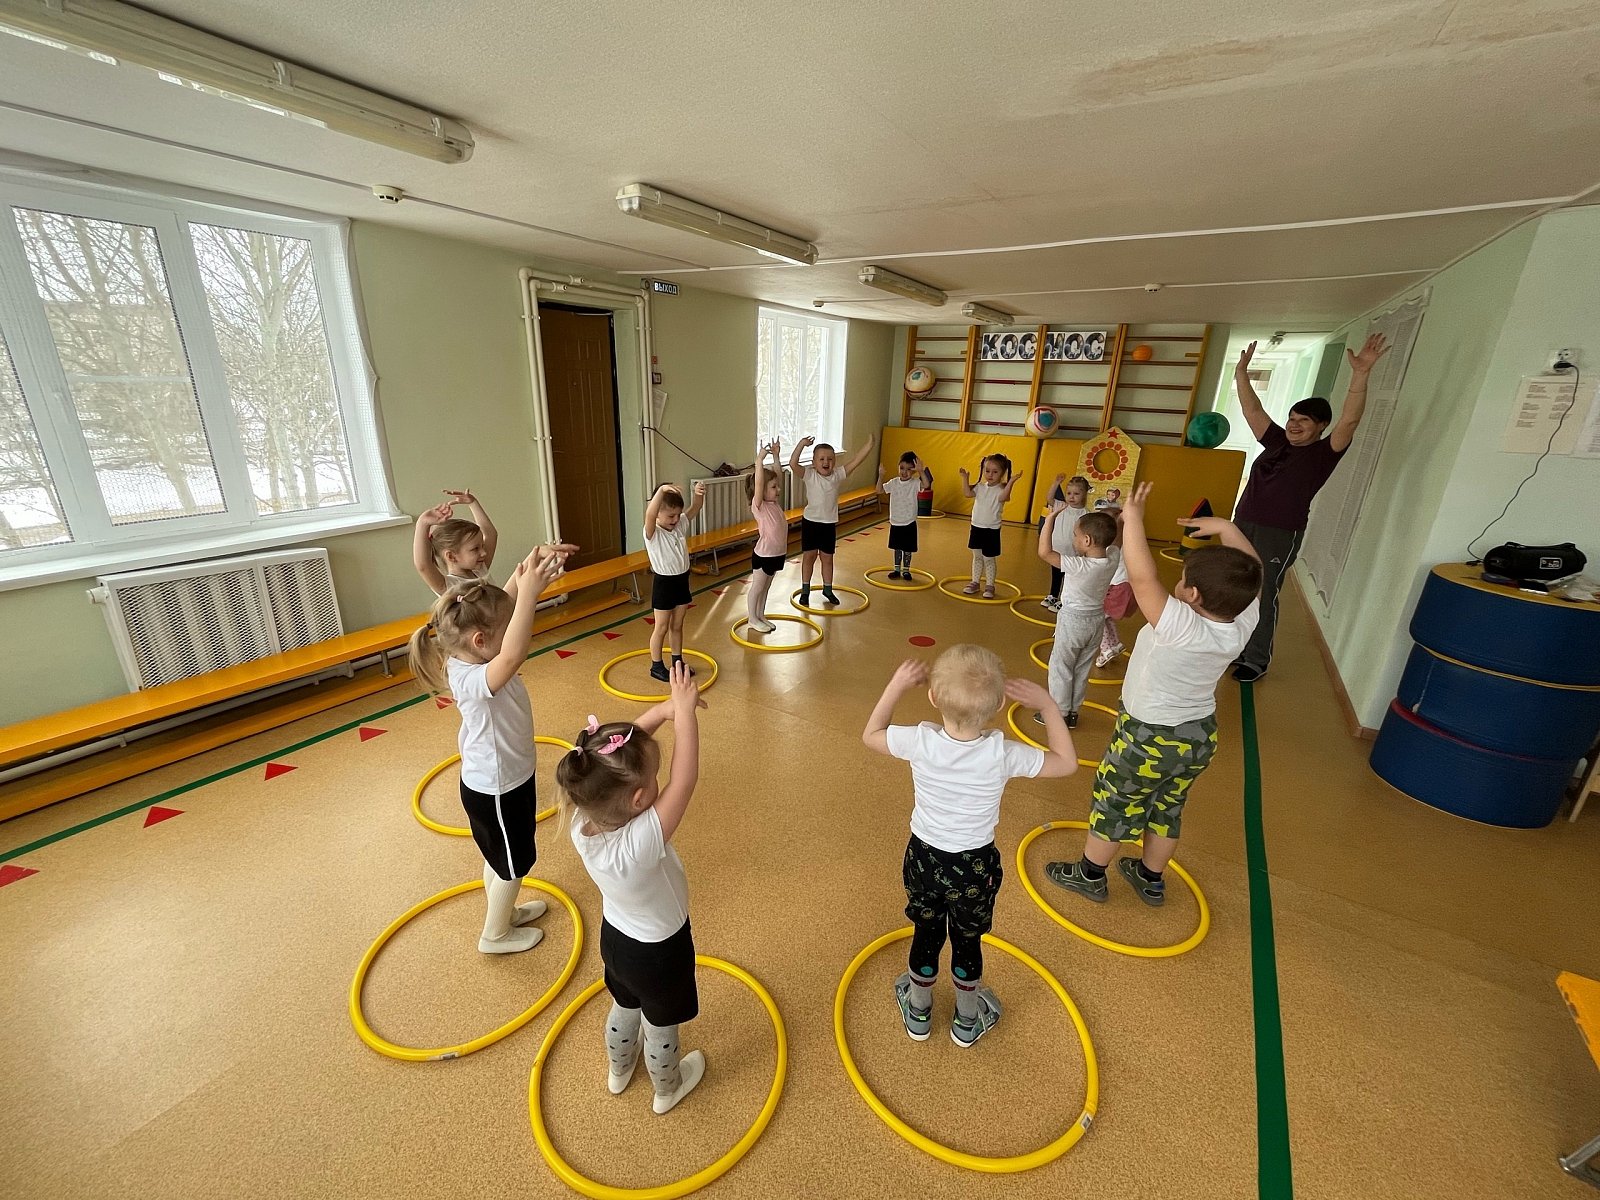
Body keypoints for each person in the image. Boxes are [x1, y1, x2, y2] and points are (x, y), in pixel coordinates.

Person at [1045, 483, 1261, 907]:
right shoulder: (1241, 620)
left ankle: (1090, 875)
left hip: (1148, 735)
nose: (1178, 584)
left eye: (1183, 580)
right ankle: (1149, 877)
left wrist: (1134, 520)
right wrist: (1226, 528)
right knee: (1167, 806)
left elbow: (1142, 577)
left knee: (1115, 801)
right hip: (1198, 736)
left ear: (1192, 595)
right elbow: (1254, 573)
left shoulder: (1181, 623)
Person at [863, 646, 1077, 1046]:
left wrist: (896, 685)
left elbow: (871, 735)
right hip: (974, 868)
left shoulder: (920, 741)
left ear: (932, 697)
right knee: (967, 940)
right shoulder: (1002, 753)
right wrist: (1048, 705)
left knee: (926, 932)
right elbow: (1066, 763)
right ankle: (966, 1020)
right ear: (999, 705)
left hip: (924, 859)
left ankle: (919, 1013)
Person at [405, 544, 573, 953]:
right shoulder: (471, 679)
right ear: (481, 641)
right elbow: (513, 654)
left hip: (506, 778)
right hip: (497, 788)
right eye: (505, 628)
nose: (511, 628)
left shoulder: (474, 654)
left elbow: (504, 606)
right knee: (514, 864)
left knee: (501, 858)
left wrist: (528, 567)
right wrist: (530, 595)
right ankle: (494, 934)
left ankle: (504, 912)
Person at [557, 663, 707, 1114]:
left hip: (616, 940)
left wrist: (661, 712)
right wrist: (684, 714)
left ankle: (618, 1069)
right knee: (661, 1025)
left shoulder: (583, 818)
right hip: (660, 951)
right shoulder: (640, 843)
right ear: (640, 799)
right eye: (651, 779)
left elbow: (612, 760)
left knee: (624, 1005)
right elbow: (685, 779)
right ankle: (667, 1089)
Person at [1229, 334, 1389, 681]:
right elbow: (1252, 410)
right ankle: (1234, 647)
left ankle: (1255, 658)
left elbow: (1350, 420)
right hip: (1243, 523)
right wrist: (1241, 372)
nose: (1294, 424)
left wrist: (1360, 375)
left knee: (1263, 592)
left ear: (1321, 427)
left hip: (1279, 533)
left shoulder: (1323, 453)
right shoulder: (1275, 441)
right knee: (1233, 586)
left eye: (1303, 420)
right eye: (1292, 417)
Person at [1035, 507, 1119, 729]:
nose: (1073, 539)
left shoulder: (1078, 565)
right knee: (1082, 668)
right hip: (1096, 621)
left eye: (1075, 535)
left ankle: (1059, 713)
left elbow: (1044, 552)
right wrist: (1116, 519)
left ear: (1087, 540)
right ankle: (1072, 712)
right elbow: (1114, 542)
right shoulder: (1112, 558)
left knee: (1061, 666)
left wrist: (1049, 520)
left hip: (1073, 621)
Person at [791, 433, 877, 606]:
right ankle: (805, 590)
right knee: (809, 557)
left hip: (828, 524)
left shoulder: (837, 475)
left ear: (834, 462)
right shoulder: (809, 475)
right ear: (814, 463)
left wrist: (869, 445)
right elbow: (793, 464)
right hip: (811, 523)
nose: (826, 462)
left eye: (830, 459)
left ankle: (828, 589)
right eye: (821, 459)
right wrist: (802, 444)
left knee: (827, 558)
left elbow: (856, 461)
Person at [643, 481, 706, 682]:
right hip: (664, 584)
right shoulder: (652, 533)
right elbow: (649, 514)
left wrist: (698, 493)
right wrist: (662, 490)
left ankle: (677, 662)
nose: (676, 519)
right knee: (661, 627)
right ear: (658, 513)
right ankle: (656, 666)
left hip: (682, 580)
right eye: (671, 516)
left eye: (677, 514)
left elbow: (695, 507)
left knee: (677, 625)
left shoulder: (679, 526)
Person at [413, 489, 519, 597]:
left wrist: (473, 503)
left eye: (482, 546)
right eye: (475, 549)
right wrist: (422, 523)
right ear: (451, 556)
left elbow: (491, 534)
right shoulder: (448, 586)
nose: (484, 553)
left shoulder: (480, 570)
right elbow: (423, 566)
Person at [960, 454, 1025, 599]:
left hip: (991, 530)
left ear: (1002, 473)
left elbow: (1004, 497)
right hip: (976, 527)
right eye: (987, 470)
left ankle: (990, 585)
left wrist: (1011, 482)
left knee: (989, 559)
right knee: (977, 557)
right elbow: (967, 493)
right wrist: (964, 478)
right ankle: (975, 582)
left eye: (995, 472)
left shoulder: (1001, 489)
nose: (990, 474)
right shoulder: (980, 487)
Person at [745, 439, 787, 634]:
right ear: (761, 491)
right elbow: (760, 482)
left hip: (777, 554)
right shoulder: (759, 506)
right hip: (764, 555)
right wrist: (759, 461)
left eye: (777, 487)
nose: (778, 490)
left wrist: (776, 456)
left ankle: (760, 615)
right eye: (773, 487)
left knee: (767, 587)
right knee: (758, 587)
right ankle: (752, 618)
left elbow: (778, 475)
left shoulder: (774, 504)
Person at [1040, 474, 1091, 612]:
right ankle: (1053, 595)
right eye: (1069, 493)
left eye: (1076, 494)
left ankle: (1064, 600)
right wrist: (1056, 483)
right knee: (1056, 575)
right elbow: (1049, 498)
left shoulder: (1086, 514)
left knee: (1069, 579)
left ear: (1084, 494)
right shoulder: (1061, 506)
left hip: (1073, 554)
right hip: (1057, 550)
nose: (1071, 497)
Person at [877, 451, 931, 580]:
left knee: (907, 548)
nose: (904, 472)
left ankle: (906, 570)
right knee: (897, 548)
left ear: (913, 471)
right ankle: (896, 570)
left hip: (909, 522)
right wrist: (881, 476)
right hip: (896, 522)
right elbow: (879, 490)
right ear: (898, 467)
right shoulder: (894, 482)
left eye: (908, 469)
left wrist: (921, 471)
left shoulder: (915, 483)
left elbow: (926, 485)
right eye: (902, 468)